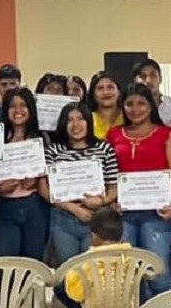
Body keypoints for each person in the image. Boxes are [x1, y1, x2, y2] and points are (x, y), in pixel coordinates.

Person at [108, 83, 171, 298]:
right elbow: (109, 174)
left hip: (157, 213)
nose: (135, 109)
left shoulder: (166, 134)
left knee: (157, 273)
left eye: (141, 103)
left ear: (151, 106)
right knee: (130, 276)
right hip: (124, 214)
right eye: (129, 104)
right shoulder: (113, 135)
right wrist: (111, 202)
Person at [43, 102, 121, 264]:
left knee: (94, 270)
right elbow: (45, 189)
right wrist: (73, 208)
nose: (75, 125)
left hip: (97, 218)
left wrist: (102, 201)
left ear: (88, 122)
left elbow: (113, 186)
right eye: (70, 120)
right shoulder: (54, 150)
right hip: (63, 217)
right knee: (67, 271)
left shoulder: (104, 148)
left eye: (80, 119)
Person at [0, 88, 49, 259]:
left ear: (30, 109)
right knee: (6, 261)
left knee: (33, 259)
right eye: (12, 106)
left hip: (34, 205)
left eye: (23, 105)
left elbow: (49, 173)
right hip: (5, 205)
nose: (18, 110)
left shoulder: (41, 138)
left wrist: (37, 178)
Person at [60, 207, 131, 308]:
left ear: (94, 236)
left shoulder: (88, 261)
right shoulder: (132, 257)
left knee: (60, 288)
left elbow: (76, 295)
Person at [134, 59, 171, 125]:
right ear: (135, 81)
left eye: (153, 75)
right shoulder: (129, 107)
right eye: (143, 76)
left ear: (160, 78)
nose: (148, 80)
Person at [88, 71, 125, 141]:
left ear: (119, 92)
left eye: (110, 87)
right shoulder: (87, 119)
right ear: (93, 94)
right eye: (100, 88)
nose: (106, 92)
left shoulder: (128, 116)